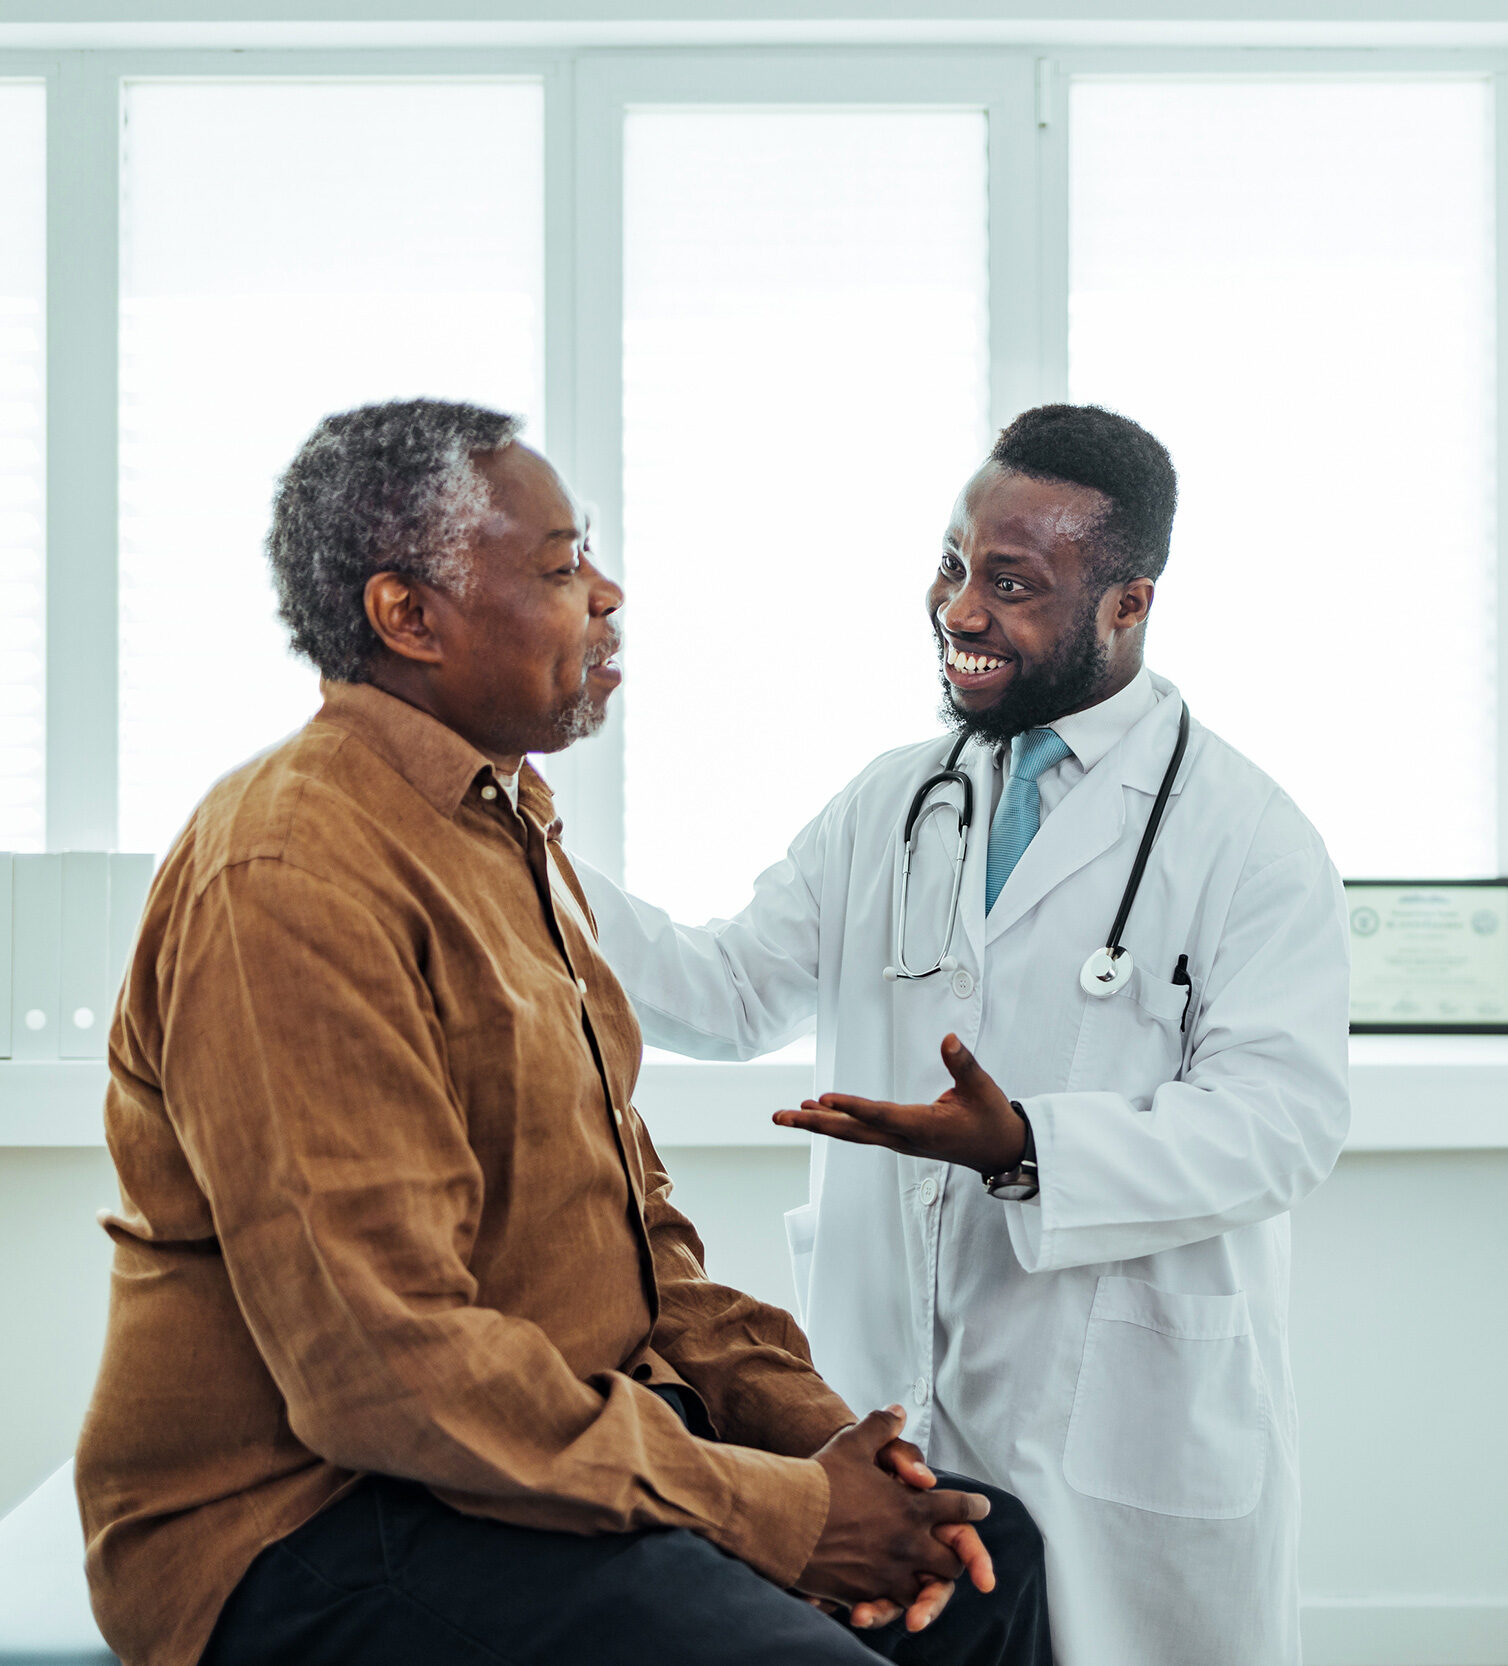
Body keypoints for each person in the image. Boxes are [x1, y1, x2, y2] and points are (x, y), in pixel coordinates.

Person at [74, 399, 1052, 1666]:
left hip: (514, 1458)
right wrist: (780, 1515)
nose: (606, 592)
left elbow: (639, 1245)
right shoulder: (288, 871)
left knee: (981, 1552)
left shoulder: (505, 824)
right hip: (309, 1518)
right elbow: (386, 1375)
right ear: (406, 617)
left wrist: (827, 1451)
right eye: (556, 566)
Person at [575, 404, 1352, 1666]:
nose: (958, 610)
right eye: (951, 563)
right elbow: (722, 993)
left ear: (1125, 604)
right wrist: (531, 846)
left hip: (1122, 1430)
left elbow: (1282, 1123)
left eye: (1011, 583)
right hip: (894, 1405)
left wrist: (1028, 1146)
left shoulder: (1247, 837)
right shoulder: (897, 799)